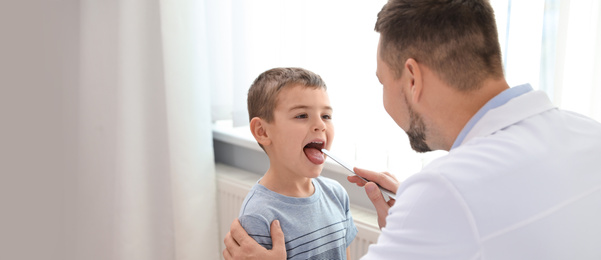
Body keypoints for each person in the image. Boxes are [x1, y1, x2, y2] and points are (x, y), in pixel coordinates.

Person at [223, 0, 601, 259]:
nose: (319, 124)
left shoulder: (444, 191)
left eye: (382, 82)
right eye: (302, 115)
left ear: (412, 78)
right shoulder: (589, 136)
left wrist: (421, 217)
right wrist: (415, 228)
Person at [228, 67, 357, 260]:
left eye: (326, 116)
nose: (321, 125)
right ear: (262, 131)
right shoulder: (259, 215)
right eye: (302, 115)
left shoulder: (337, 195)